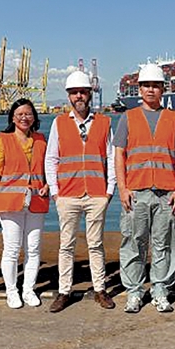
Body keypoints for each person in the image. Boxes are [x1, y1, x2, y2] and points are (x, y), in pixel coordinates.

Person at [114, 64, 175, 313]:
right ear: (140, 88)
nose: (151, 89)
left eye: (155, 86)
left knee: (165, 243)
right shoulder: (128, 117)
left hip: (166, 193)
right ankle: (134, 292)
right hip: (136, 192)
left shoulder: (173, 119)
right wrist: (122, 188)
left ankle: (160, 290)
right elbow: (119, 155)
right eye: (146, 85)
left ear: (163, 90)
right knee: (133, 244)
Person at [43, 71, 116, 313]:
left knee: (96, 244)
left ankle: (100, 289)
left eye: (83, 92)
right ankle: (64, 291)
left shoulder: (104, 122)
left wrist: (109, 190)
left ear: (90, 94)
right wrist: (55, 192)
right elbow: (51, 158)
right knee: (67, 245)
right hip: (68, 194)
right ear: (69, 96)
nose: (79, 96)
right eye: (74, 93)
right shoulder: (59, 123)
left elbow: (111, 157)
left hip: (96, 194)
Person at [0, 98, 49, 309]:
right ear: (12, 117)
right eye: (20, 114)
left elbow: (49, 169)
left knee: (33, 248)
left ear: (34, 118)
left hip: (36, 201)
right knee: (12, 249)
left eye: (29, 114)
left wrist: (48, 184)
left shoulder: (41, 140)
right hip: (9, 202)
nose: (25, 117)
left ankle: (29, 289)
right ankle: (12, 291)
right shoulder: (2, 141)